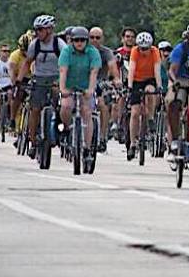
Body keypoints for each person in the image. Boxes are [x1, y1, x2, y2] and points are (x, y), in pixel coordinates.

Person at [17, 15, 66, 159]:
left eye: (40, 30)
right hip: (39, 78)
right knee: (35, 109)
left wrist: (63, 81)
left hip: (56, 78)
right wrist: (20, 80)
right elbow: (27, 62)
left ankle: (60, 130)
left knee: (60, 104)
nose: (37, 33)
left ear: (50, 30)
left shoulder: (59, 44)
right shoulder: (35, 45)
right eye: (36, 30)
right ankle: (32, 142)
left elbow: (65, 64)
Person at [58, 27, 101, 165]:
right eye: (76, 40)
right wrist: (63, 89)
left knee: (87, 112)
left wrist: (90, 90)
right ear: (71, 41)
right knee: (66, 106)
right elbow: (63, 71)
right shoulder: (66, 52)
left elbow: (94, 72)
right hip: (70, 86)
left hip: (85, 86)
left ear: (87, 41)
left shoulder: (93, 52)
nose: (79, 43)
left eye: (82, 40)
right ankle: (65, 128)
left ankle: (87, 148)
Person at [126, 31, 162, 159]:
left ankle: (151, 117)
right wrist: (130, 86)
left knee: (150, 91)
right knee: (135, 113)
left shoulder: (155, 52)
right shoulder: (135, 51)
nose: (144, 51)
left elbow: (157, 70)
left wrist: (159, 86)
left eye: (146, 48)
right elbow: (131, 69)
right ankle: (133, 143)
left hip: (149, 78)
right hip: (136, 80)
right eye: (142, 48)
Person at [89, 27, 121, 151]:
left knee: (103, 105)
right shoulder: (83, 51)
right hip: (84, 82)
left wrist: (116, 79)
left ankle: (102, 137)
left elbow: (112, 67)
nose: (94, 40)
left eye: (97, 38)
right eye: (92, 37)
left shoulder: (106, 52)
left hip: (101, 83)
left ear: (102, 39)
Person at [168, 21, 189, 140]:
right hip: (183, 83)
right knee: (174, 103)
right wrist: (175, 81)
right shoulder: (181, 49)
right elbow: (172, 69)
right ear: (188, 36)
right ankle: (175, 138)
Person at [9, 30, 34, 131]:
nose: (26, 53)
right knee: (17, 95)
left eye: (28, 50)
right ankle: (12, 119)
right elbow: (11, 70)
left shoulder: (34, 53)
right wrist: (14, 82)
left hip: (32, 76)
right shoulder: (15, 55)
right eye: (24, 51)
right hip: (20, 77)